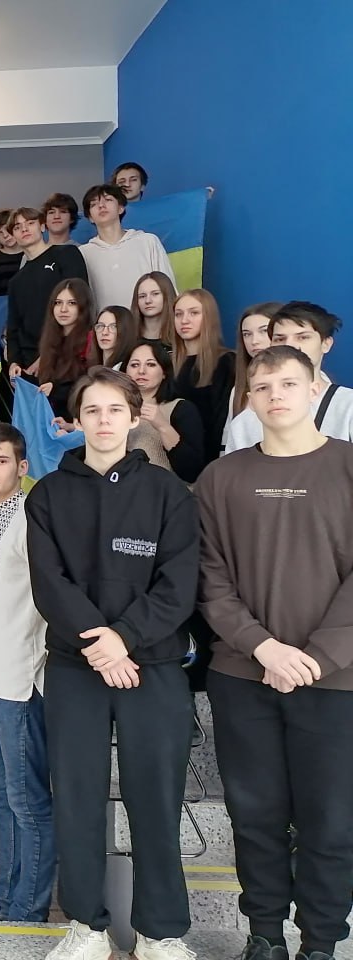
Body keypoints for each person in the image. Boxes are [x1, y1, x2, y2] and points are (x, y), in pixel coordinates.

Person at [26, 367, 199, 960]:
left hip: (153, 664)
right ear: (76, 420)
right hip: (76, 668)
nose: (103, 421)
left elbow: (179, 584)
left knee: (157, 799)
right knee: (76, 799)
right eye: (92, 411)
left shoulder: (169, 494)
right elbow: (50, 584)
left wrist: (123, 638)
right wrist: (101, 647)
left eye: (115, 410)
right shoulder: (47, 495)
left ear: (134, 416)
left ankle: (161, 932)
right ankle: (86, 926)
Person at [197, 344, 353, 960]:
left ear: (315, 388)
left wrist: (316, 657)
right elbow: (210, 579)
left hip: (336, 680)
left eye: (288, 383)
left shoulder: (349, 466)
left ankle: (321, 942)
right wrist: (263, 648)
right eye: (262, 387)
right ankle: (264, 935)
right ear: (249, 398)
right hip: (243, 676)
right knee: (253, 815)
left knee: (331, 819)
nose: (275, 396)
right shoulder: (221, 478)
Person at [0, 426, 53, 922]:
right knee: (0, 800)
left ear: (21, 467)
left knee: (27, 803)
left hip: (18, 684)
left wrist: (36, 661)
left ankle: (29, 909)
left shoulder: (29, 517)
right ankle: (5, 902)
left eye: (0, 460)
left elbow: (48, 596)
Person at [225, 301, 353, 452]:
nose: (290, 345)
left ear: (326, 343)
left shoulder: (348, 406)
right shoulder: (244, 423)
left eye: (303, 337)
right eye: (280, 339)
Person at [4, 207, 89, 371]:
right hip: (29, 364)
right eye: (17, 227)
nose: (24, 229)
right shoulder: (16, 281)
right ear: (13, 235)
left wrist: (48, 357)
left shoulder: (67, 254)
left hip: (66, 356)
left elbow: (80, 306)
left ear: (42, 226)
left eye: (30, 223)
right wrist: (14, 362)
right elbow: (14, 327)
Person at [79, 184, 175, 313]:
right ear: (90, 217)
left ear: (121, 208)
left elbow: (168, 287)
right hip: (106, 324)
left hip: (147, 322)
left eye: (108, 200)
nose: (101, 205)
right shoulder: (84, 253)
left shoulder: (147, 241)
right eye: (94, 204)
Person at [122, 342, 206, 482]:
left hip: (166, 492)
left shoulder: (181, 409)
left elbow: (192, 472)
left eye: (151, 364)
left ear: (164, 373)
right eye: (135, 365)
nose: (141, 371)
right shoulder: (115, 411)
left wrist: (163, 426)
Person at [12, 278, 95, 420]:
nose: (63, 309)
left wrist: (56, 390)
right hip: (51, 419)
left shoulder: (90, 340)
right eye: (58, 303)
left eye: (72, 303)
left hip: (76, 421)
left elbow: (89, 384)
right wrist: (21, 377)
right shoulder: (51, 339)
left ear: (83, 307)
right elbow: (45, 384)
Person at [171, 288, 235, 469]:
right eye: (178, 314)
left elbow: (222, 422)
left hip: (210, 463)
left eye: (194, 313)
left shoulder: (226, 362)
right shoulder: (167, 364)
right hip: (171, 461)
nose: (184, 320)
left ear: (208, 317)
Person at [227, 302, 282, 426]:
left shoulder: (306, 383)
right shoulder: (238, 390)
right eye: (247, 334)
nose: (254, 341)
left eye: (263, 331)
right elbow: (230, 435)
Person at [131, 271, 177, 350]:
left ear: (167, 296)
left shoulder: (181, 336)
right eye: (142, 296)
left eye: (155, 294)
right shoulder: (127, 338)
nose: (148, 301)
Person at [89, 305, 139, 369]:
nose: (104, 332)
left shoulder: (128, 368)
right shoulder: (91, 366)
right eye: (100, 326)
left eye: (113, 327)